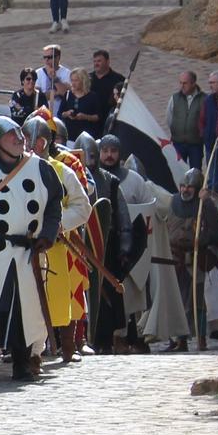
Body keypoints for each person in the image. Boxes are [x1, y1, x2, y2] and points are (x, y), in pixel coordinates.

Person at [0, 115, 64, 382]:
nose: (19, 139)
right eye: (11, 135)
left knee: (24, 310)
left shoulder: (41, 169)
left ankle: (23, 361)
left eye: (19, 133)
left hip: (25, 251)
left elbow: (55, 202)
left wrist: (48, 233)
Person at [24, 113, 92, 365]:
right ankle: (31, 352)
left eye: (37, 140)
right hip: (24, 245)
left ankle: (68, 346)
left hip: (56, 246)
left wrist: (57, 224)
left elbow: (83, 207)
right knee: (27, 300)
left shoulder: (62, 170)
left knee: (62, 297)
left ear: (45, 141)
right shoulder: (14, 168)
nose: (31, 145)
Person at [164, 167, 218, 350]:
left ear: (196, 189)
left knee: (200, 304)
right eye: (183, 186)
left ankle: (201, 339)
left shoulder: (206, 205)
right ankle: (181, 341)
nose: (185, 190)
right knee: (179, 301)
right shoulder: (172, 202)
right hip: (177, 260)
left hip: (198, 260)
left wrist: (201, 240)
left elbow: (217, 234)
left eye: (189, 187)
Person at [85, 135, 137, 354]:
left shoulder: (110, 180)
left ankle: (104, 342)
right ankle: (84, 339)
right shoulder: (75, 178)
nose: (93, 158)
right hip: (82, 246)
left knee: (107, 298)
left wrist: (125, 248)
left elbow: (123, 218)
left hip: (109, 247)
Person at [164, 71, 205, 170]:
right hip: (178, 143)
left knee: (195, 171)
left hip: (195, 143)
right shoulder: (175, 98)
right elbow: (169, 118)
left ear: (193, 83)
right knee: (178, 170)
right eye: (180, 83)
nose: (182, 86)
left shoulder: (204, 99)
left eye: (185, 83)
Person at [58, 71, 108, 139]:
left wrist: (85, 117)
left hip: (87, 135)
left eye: (76, 80)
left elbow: (99, 116)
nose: (73, 83)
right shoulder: (68, 95)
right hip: (70, 135)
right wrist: (67, 113)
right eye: (72, 80)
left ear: (83, 81)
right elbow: (60, 113)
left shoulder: (93, 96)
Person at [86, 49, 126, 113]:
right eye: (94, 61)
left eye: (99, 61)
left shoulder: (119, 79)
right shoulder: (87, 78)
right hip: (90, 117)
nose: (96, 64)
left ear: (108, 61)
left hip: (110, 116)